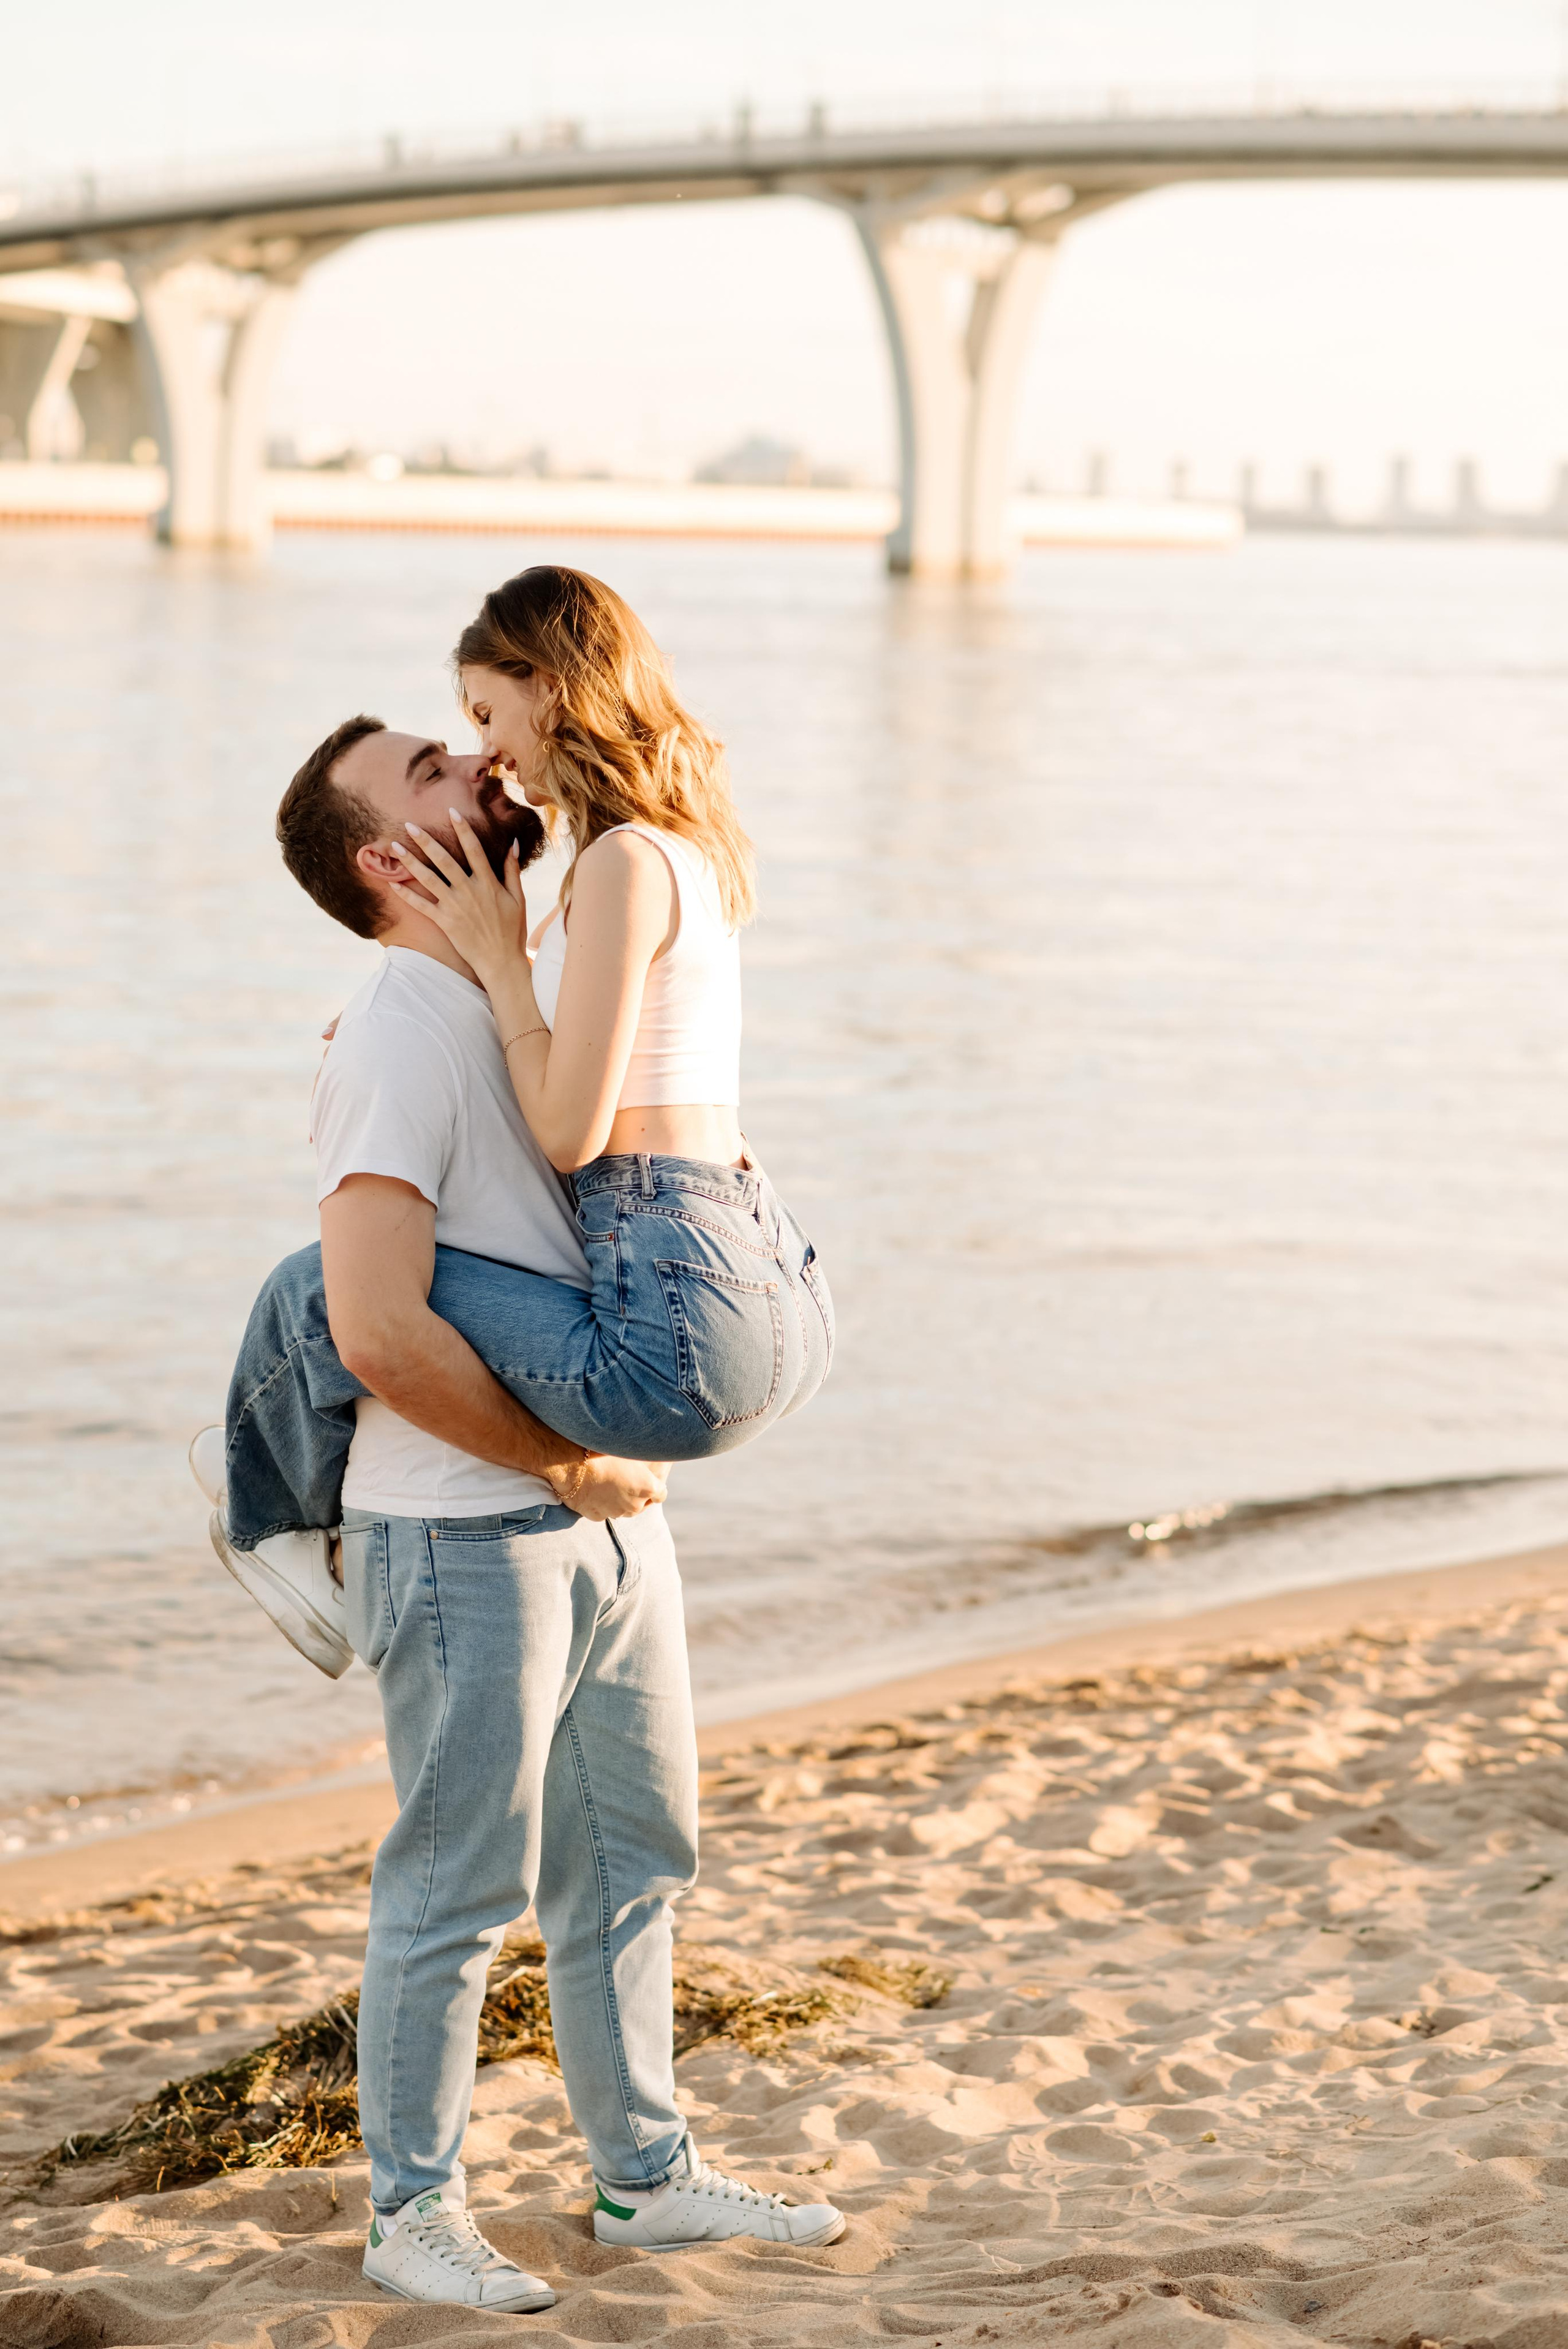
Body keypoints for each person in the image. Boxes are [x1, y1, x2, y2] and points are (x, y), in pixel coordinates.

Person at [193, 711, 844, 2315]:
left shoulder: (511, 1001)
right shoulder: (402, 1027)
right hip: (467, 1529)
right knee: (458, 1890)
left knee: (635, 1862)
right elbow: (373, 1323)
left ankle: (644, 2179)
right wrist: (560, 1469)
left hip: (607, 1523)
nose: (482, 770)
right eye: (436, 770)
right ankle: (414, 2215)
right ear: (384, 860)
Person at [205, 566, 832, 1654]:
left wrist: (496, 972)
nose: (487, 750)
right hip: (775, 1287)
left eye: (487, 715)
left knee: (321, 1294)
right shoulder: (677, 848)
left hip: (683, 1331)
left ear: (550, 688)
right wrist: (409, 1027)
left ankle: (270, 1519)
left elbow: (566, 1132)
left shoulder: (620, 865)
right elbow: (589, 1077)